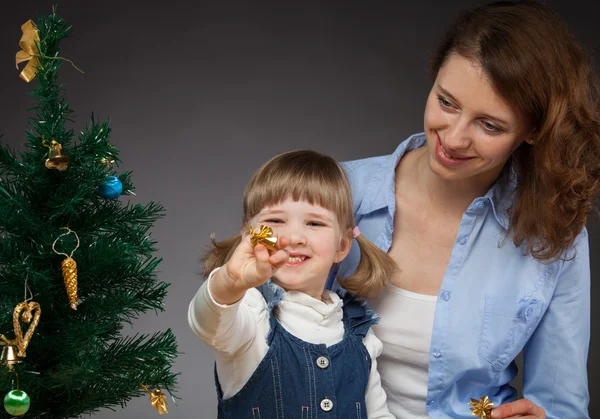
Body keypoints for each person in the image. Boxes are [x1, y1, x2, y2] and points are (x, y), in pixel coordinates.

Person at [327, 1, 600, 418]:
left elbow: (561, 406)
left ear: (532, 132)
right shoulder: (338, 193)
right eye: (447, 102)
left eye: (489, 125)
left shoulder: (556, 235)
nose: (453, 139)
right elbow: (258, 350)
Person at [188, 150, 398, 418]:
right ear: (247, 234)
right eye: (275, 221)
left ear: (342, 245)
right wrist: (229, 282)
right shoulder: (251, 313)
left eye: (314, 223)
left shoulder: (360, 336)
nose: (294, 236)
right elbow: (207, 324)